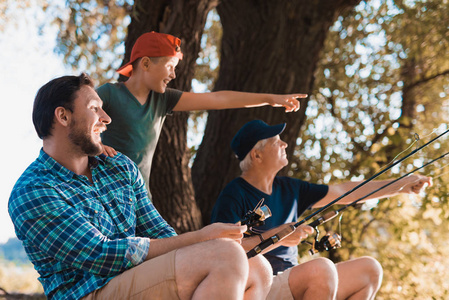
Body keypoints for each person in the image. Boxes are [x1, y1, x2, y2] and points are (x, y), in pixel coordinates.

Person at [8, 74, 273, 300]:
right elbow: (101, 255)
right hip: (90, 292)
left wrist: (207, 243)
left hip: (139, 278)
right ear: (63, 116)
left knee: (257, 266)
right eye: (94, 108)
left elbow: (159, 232)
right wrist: (202, 238)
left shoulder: (119, 166)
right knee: (223, 256)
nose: (107, 118)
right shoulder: (33, 190)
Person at [211, 119, 433, 300]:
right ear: (256, 155)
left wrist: (402, 185)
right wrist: (278, 236)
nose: (284, 144)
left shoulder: (291, 188)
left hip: (293, 279)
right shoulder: (233, 195)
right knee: (321, 269)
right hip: (259, 286)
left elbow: (345, 191)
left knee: (370, 270)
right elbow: (224, 252)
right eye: (276, 141)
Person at [97, 31, 307, 191]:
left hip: (141, 197)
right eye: (170, 66)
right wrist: (97, 144)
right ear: (145, 63)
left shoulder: (163, 99)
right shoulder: (109, 94)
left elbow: (218, 98)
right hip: (108, 191)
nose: (173, 74)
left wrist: (268, 99)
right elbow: (73, 116)